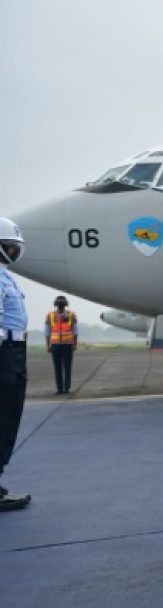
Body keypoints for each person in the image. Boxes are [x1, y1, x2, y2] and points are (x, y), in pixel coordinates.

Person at [0, 217, 31, 511]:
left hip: (14, 350)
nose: (13, 251)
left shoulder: (5, 276)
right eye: (8, 246)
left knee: (9, 415)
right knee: (2, 415)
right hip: (4, 353)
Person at [44, 295, 77, 394]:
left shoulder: (71, 315)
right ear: (56, 304)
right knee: (57, 367)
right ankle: (60, 388)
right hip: (55, 344)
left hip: (67, 344)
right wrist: (48, 345)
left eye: (61, 303)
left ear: (65, 304)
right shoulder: (50, 315)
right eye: (59, 303)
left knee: (67, 367)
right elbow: (47, 331)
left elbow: (75, 331)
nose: (60, 305)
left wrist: (74, 344)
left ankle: (66, 388)